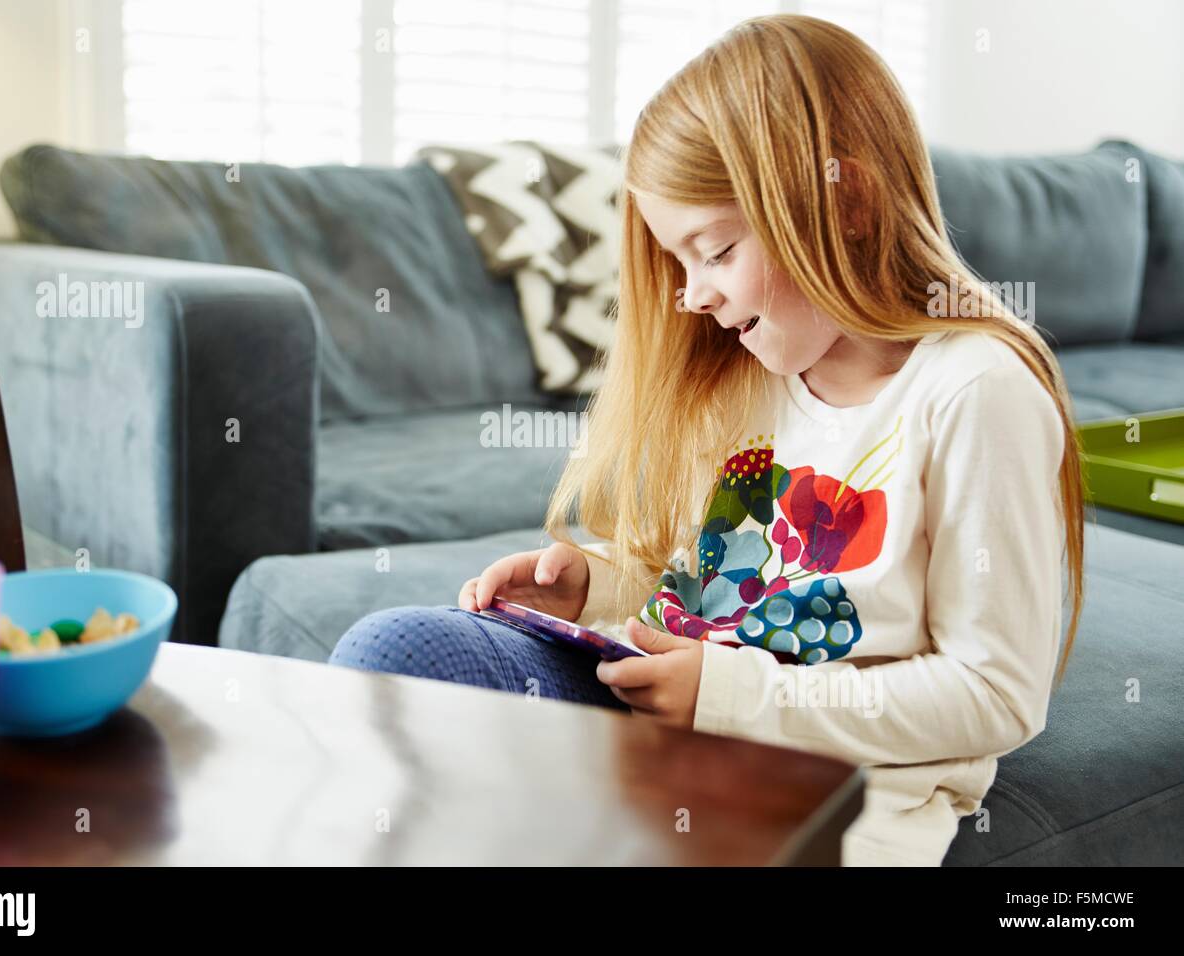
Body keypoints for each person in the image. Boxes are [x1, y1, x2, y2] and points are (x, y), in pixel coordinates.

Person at [330, 14, 1084, 867]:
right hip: (657, 718)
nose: (692, 296)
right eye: (678, 261)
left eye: (716, 251)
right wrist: (596, 586)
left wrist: (730, 696)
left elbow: (995, 695)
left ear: (851, 203)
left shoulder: (975, 391)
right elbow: (700, 583)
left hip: (811, 775)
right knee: (387, 654)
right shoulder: (748, 370)